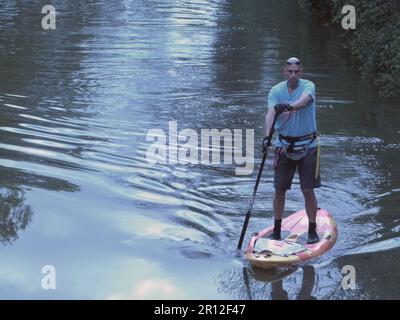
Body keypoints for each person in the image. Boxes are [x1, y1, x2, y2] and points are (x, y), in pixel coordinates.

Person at [263, 57, 321, 244]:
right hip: (283, 146)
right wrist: (266, 137)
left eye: (296, 71)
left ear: (301, 71)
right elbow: (271, 113)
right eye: (290, 71)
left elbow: (304, 101)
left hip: (308, 146)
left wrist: (289, 106)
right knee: (279, 189)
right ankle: (277, 230)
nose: (293, 75)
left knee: (307, 189)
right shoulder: (276, 90)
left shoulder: (308, 86)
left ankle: (312, 230)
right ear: (284, 72)